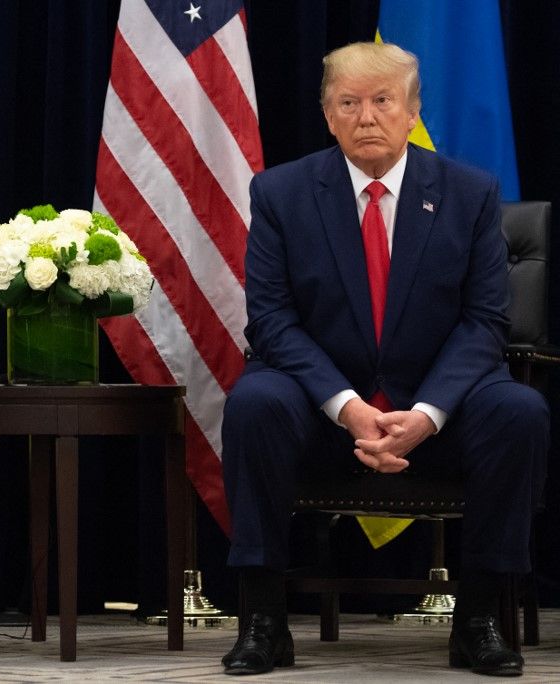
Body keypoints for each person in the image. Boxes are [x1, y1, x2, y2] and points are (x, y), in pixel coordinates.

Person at [220, 42, 547, 677]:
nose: (366, 117)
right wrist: (347, 409)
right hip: (321, 415)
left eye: (381, 101)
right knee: (254, 402)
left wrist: (426, 414)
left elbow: (485, 323)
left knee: (519, 410)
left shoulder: (469, 193)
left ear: (411, 110)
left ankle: (479, 619)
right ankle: (263, 620)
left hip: (436, 412)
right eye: (349, 102)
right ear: (328, 113)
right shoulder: (282, 193)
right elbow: (273, 322)